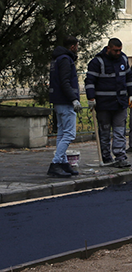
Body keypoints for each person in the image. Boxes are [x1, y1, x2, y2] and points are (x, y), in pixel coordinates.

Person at [85, 37, 132, 168]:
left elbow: (129, 78)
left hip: (120, 103)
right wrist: (91, 98)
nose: (118, 53)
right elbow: (90, 81)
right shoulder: (97, 62)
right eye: (115, 50)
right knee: (104, 132)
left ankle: (120, 157)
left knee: (120, 131)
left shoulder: (123, 59)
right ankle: (106, 157)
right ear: (108, 49)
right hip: (104, 104)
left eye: (119, 50)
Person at [47, 36, 83, 178]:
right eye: (77, 46)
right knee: (69, 134)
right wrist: (74, 99)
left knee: (62, 133)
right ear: (73, 46)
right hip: (65, 101)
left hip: (58, 100)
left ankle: (62, 162)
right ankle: (56, 163)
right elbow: (65, 82)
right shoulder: (65, 60)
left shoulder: (57, 59)